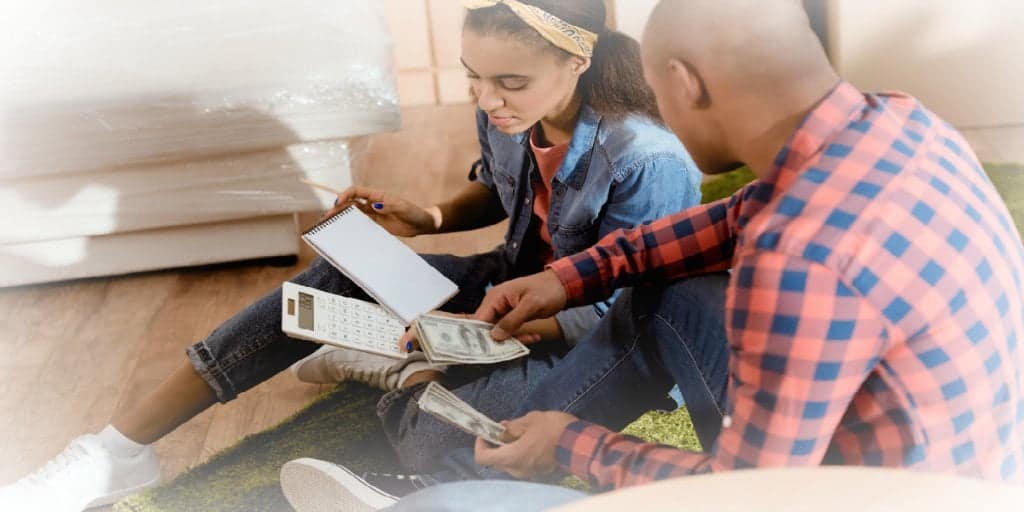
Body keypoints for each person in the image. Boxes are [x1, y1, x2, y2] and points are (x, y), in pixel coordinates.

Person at [281, 0, 1024, 510]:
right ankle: (459, 444)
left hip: (871, 497)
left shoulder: (798, 257)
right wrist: (568, 279)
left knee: (446, 499)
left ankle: (436, 494)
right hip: (970, 472)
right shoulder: (898, 119)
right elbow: (731, 217)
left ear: (683, 84)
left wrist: (577, 447)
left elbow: (756, 493)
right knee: (666, 288)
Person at [0, 0, 702, 510]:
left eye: (508, 83)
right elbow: (495, 195)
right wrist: (422, 218)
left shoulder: (646, 159)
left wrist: (488, 333)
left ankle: (400, 368)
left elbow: (630, 313)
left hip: (594, 336)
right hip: (505, 290)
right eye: (473, 78)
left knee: (435, 440)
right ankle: (116, 451)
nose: (487, 99)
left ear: (577, 59)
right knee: (333, 279)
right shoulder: (508, 111)